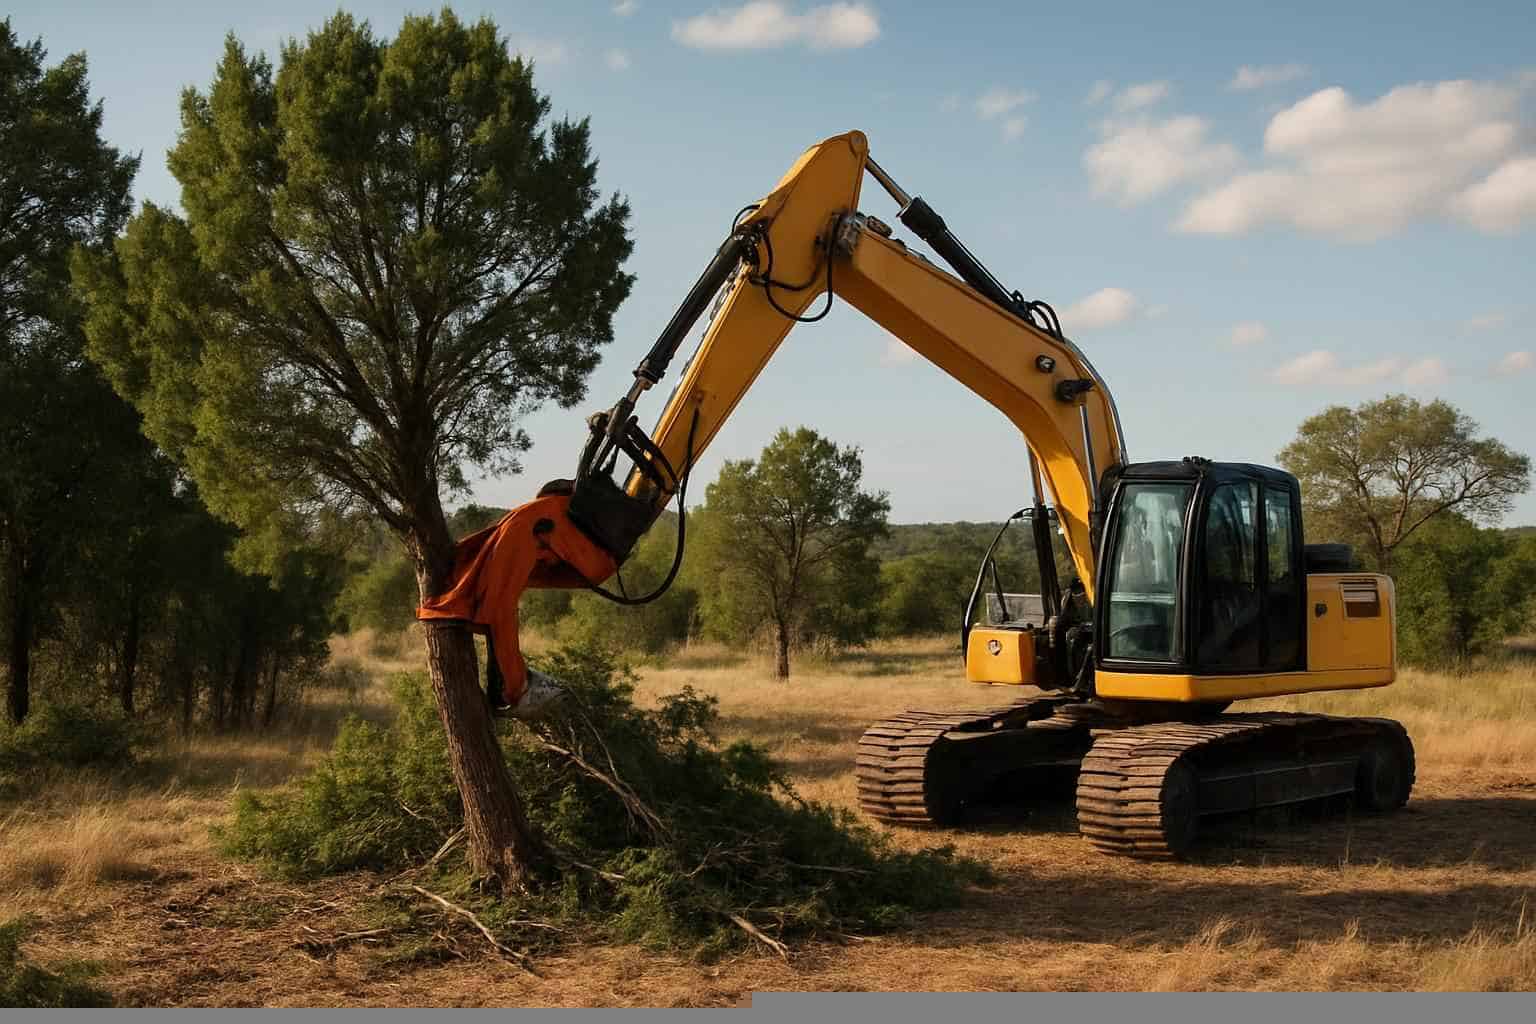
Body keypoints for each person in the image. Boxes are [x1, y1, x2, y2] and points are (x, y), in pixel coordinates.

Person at [416, 480, 618, 719]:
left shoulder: (539, 515)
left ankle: (506, 688)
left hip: (468, 588)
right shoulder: (540, 523)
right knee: (501, 612)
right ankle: (510, 689)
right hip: (466, 609)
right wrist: (516, 688)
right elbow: (500, 610)